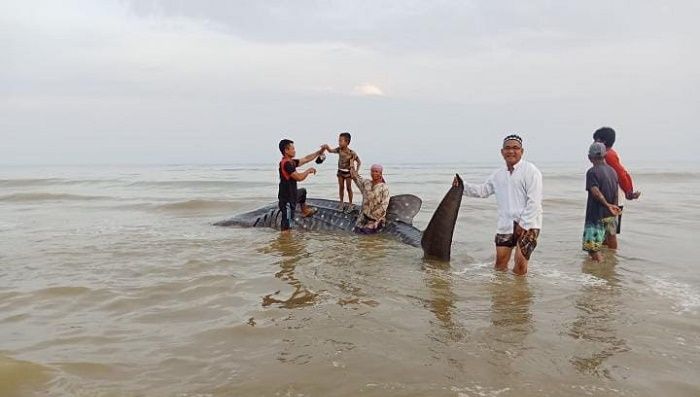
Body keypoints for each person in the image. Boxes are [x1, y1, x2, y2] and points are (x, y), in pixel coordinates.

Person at [453, 134, 543, 275]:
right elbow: (483, 191)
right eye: (507, 148)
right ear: (502, 152)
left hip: (529, 225)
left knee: (520, 266)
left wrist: (523, 224)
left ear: (522, 151)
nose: (511, 151)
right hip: (505, 224)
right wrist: (462, 186)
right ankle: (501, 294)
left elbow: (534, 201)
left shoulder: (531, 171)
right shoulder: (498, 174)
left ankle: (520, 295)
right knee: (500, 265)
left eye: (515, 148)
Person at [582, 142, 622, 262]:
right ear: (605, 155)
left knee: (592, 248)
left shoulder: (592, 172)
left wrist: (607, 205)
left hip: (596, 215)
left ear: (590, 157)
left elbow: (595, 191)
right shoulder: (613, 172)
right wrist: (613, 207)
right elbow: (616, 191)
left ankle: (601, 271)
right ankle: (612, 264)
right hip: (610, 214)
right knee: (611, 237)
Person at [278, 139, 325, 234]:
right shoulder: (286, 164)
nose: (295, 150)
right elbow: (299, 177)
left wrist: (318, 153)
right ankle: (284, 245)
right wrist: (308, 171)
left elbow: (306, 159)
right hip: (286, 199)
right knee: (286, 228)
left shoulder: (291, 162)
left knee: (302, 192)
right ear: (286, 150)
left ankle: (305, 211)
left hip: (293, 195)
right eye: (293, 148)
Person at [593, 127, 641, 200]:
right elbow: (623, 172)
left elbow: (621, 174)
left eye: (596, 140)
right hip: (610, 196)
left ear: (604, 142)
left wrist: (628, 192)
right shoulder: (607, 154)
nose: (593, 143)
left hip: (613, 197)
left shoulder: (608, 155)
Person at [323, 132, 361, 210]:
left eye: (341, 141)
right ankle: (341, 203)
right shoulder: (339, 149)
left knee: (348, 188)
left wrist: (356, 171)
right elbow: (330, 151)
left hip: (348, 173)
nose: (339, 142)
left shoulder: (352, 153)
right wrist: (327, 147)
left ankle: (350, 204)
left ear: (347, 142)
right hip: (340, 172)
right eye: (339, 140)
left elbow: (359, 162)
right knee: (341, 187)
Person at [350, 164, 390, 234]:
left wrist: (377, 220)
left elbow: (384, 205)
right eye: (372, 171)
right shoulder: (366, 183)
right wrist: (351, 167)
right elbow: (356, 179)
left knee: (367, 234)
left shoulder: (384, 188)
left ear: (380, 173)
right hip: (363, 216)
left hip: (375, 219)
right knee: (356, 233)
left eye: (376, 171)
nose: (374, 173)